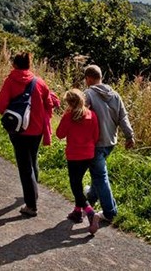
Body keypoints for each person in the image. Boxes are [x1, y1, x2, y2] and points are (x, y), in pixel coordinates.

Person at [0, 52, 55, 217]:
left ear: (14, 65)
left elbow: (1, 105)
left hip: (18, 130)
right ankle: (33, 193)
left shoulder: (10, 81)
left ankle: (31, 205)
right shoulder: (39, 82)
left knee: (24, 166)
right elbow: (49, 104)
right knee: (32, 158)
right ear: (29, 64)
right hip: (36, 129)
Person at [83, 65, 135, 229]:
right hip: (111, 142)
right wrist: (129, 135)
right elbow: (123, 117)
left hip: (96, 142)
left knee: (100, 176)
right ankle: (91, 196)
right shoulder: (115, 95)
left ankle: (109, 211)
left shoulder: (88, 94)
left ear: (89, 79)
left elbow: (80, 116)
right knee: (98, 171)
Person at [56, 89, 100, 234]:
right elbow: (96, 136)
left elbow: (60, 134)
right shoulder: (91, 115)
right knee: (78, 182)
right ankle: (77, 211)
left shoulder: (69, 116)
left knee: (75, 186)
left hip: (74, 155)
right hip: (88, 154)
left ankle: (90, 212)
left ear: (69, 103)